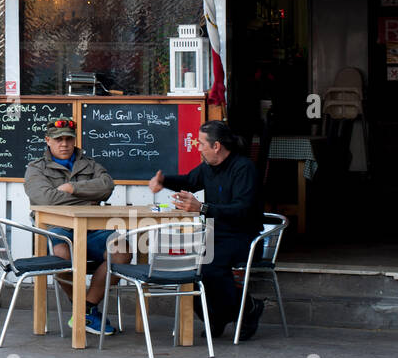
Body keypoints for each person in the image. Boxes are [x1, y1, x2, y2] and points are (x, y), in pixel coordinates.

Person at [149, 119, 267, 341]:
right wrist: (163, 180)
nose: (198, 147)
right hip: (215, 235)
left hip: (243, 237)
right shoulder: (207, 168)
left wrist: (202, 208)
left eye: (201, 143)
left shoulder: (244, 168)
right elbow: (189, 181)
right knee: (186, 266)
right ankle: (215, 316)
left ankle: (247, 309)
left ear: (216, 146)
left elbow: (243, 209)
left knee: (210, 267)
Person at [23, 118, 129, 336]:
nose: (64, 144)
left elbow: (107, 186)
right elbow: (45, 199)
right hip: (57, 228)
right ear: (47, 141)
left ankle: (86, 308)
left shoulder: (89, 165)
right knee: (63, 252)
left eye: (68, 139)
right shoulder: (36, 169)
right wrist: (86, 199)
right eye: (58, 139)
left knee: (122, 249)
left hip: (92, 229)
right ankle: (84, 310)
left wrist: (71, 187)